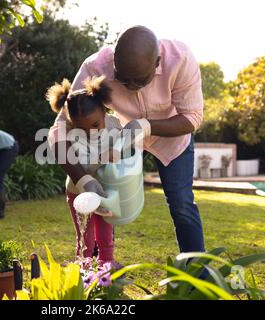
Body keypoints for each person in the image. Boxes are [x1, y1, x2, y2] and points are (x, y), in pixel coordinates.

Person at [48, 26, 206, 263]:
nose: (131, 86)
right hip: (119, 141)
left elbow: (192, 118)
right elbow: (58, 130)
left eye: (140, 80)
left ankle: (197, 275)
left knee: (181, 203)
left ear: (157, 63)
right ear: (114, 63)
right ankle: (98, 273)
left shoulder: (181, 60)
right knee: (103, 200)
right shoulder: (95, 68)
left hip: (172, 139)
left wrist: (145, 126)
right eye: (124, 79)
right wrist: (83, 180)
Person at [46, 75, 122, 267]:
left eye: (96, 125)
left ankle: (107, 262)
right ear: (72, 123)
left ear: (105, 113)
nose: (91, 132)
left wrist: (118, 152)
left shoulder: (114, 124)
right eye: (83, 129)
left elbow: (125, 147)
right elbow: (82, 164)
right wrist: (103, 156)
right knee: (85, 233)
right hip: (78, 192)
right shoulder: (70, 135)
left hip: (104, 188)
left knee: (105, 229)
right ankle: (85, 266)